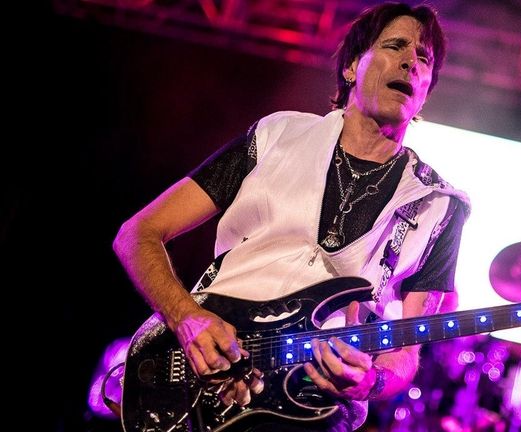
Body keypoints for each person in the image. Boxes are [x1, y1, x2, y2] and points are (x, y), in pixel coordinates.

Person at [113, 2, 469, 431]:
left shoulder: (439, 204)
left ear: (427, 90)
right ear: (353, 66)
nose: (412, 61)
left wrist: (371, 380)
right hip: (205, 376)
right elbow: (138, 233)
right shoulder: (276, 134)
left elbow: (407, 353)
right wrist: (185, 315)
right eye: (396, 46)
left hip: (313, 410)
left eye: (424, 58)